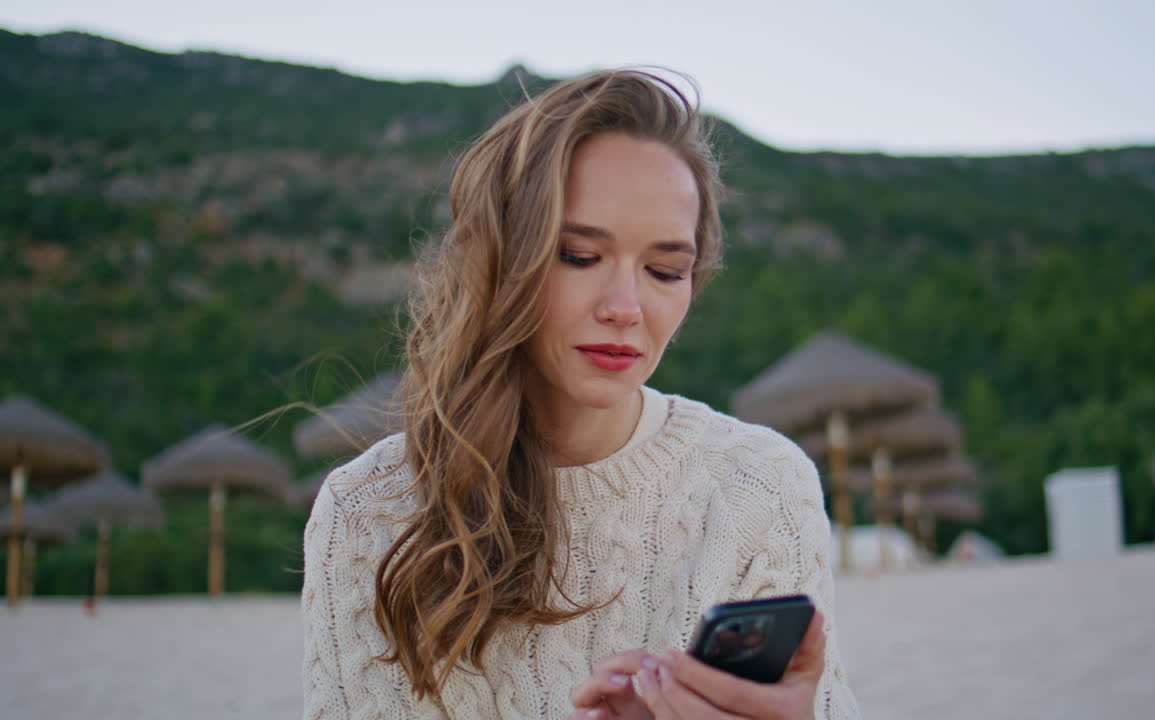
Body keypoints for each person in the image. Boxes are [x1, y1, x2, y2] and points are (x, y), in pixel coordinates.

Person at [302, 68, 861, 719]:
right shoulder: (371, 510)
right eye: (577, 255)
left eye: (664, 270)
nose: (626, 308)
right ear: (501, 262)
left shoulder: (759, 486)